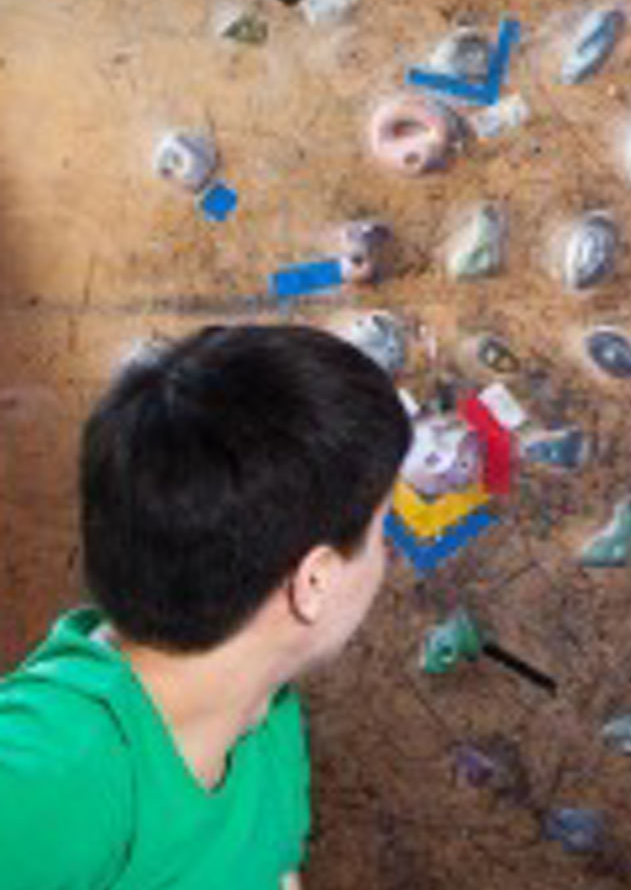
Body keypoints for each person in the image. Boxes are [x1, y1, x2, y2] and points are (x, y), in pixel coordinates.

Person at [0, 324, 412, 890]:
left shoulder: (263, 712)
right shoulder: (52, 772)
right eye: (380, 527)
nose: (387, 555)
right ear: (312, 580)